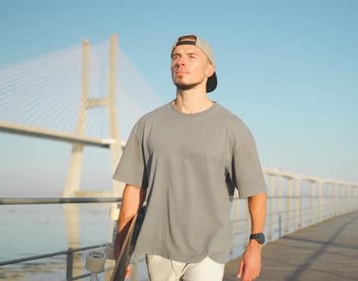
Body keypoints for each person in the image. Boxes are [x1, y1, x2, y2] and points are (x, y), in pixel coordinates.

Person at [112, 34, 267, 281]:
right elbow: (133, 190)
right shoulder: (147, 125)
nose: (180, 62)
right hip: (157, 249)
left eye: (191, 57)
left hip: (208, 250)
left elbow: (256, 191)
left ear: (210, 69)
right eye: (176, 56)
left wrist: (255, 245)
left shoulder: (233, 128)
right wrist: (120, 250)